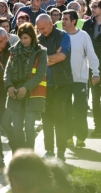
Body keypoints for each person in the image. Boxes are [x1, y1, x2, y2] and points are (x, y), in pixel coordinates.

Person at [2, 23, 47, 150]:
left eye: (26, 38)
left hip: (31, 93)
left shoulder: (41, 51)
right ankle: (22, 153)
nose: (23, 41)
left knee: (29, 127)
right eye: (21, 38)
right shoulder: (14, 50)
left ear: (32, 37)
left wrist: (26, 88)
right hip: (15, 92)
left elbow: (40, 74)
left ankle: (30, 155)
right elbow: (8, 71)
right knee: (16, 127)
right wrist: (9, 86)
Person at [36, 14, 72, 162]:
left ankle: (61, 150)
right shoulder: (38, 39)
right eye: (38, 28)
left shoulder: (63, 36)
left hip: (61, 83)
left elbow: (62, 57)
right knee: (46, 118)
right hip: (45, 85)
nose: (41, 31)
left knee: (58, 115)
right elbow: (36, 60)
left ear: (51, 24)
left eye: (43, 28)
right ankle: (49, 150)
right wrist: (52, 57)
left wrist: (46, 59)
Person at [61, 9, 100, 148]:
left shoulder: (83, 36)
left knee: (80, 109)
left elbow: (91, 55)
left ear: (73, 21)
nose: (63, 21)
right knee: (65, 109)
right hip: (63, 81)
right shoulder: (60, 35)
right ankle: (68, 137)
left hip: (80, 80)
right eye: (62, 18)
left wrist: (96, 72)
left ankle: (81, 138)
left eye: (65, 19)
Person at [82, 0, 101, 137]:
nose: (93, 9)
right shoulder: (88, 24)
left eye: (95, 6)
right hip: (92, 63)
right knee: (95, 97)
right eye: (91, 6)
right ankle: (98, 125)